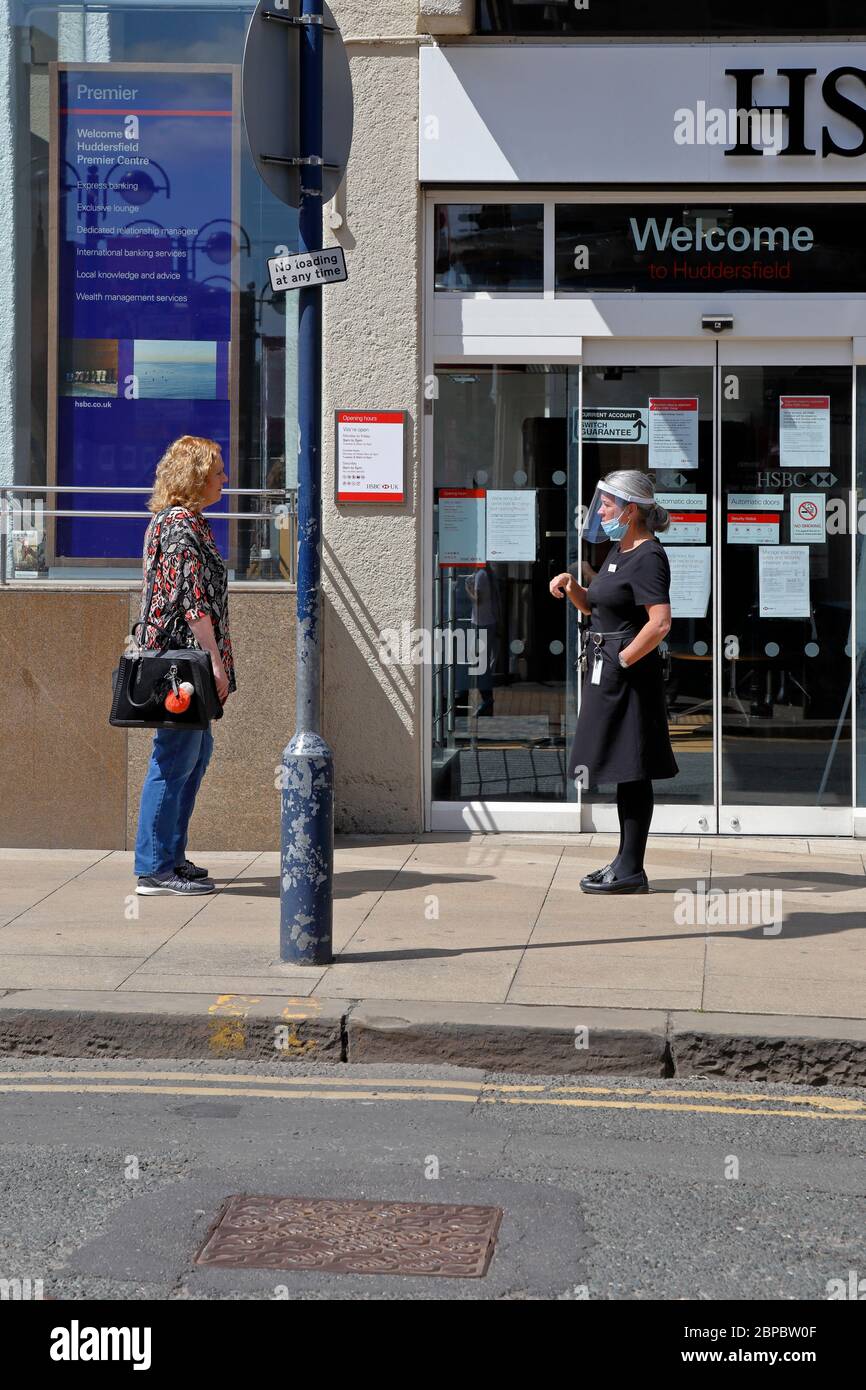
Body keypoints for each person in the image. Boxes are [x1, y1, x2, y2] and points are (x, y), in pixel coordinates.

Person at [550, 469, 678, 894]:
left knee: (633, 768)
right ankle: (625, 863)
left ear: (631, 510)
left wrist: (623, 658)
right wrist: (573, 587)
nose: (600, 511)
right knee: (623, 766)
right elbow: (597, 607)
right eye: (600, 503)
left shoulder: (649, 555)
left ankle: (630, 869)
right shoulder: (617, 551)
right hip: (605, 668)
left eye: (607, 504)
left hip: (627, 675)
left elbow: (658, 623)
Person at [133, 435, 235, 896]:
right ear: (196, 477)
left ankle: (170, 855)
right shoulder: (179, 526)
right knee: (174, 760)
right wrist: (215, 664)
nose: (224, 478)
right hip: (183, 665)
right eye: (217, 471)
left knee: (192, 757)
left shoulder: (185, 522)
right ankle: (155, 868)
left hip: (186, 663)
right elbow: (193, 605)